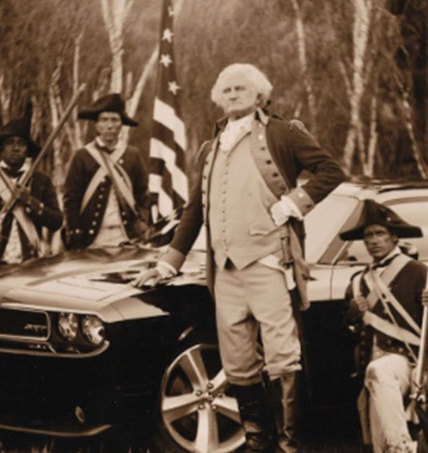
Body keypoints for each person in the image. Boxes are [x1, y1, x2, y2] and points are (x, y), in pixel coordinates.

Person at [133, 63, 345, 452]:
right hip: (226, 271)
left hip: (269, 264)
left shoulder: (283, 133)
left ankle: (289, 445)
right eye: (226, 90)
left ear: (259, 94)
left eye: (241, 89)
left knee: (283, 358)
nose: (232, 95)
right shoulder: (209, 148)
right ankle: (257, 442)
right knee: (238, 363)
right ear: (218, 97)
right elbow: (195, 211)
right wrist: (168, 262)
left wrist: (293, 204)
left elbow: (331, 171)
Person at [341, 200, 428, 453]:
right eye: (368, 235)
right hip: (373, 370)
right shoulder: (358, 282)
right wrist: (353, 314)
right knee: (378, 445)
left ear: (394, 237)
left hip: (410, 364)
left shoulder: (417, 272)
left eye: (380, 233)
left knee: (379, 372)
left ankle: (402, 449)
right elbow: (349, 331)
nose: (373, 240)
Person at [0, 115, 63, 264]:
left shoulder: (41, 180)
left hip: (32, 262)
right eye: (10, 143)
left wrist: (30, 201)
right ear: (1, 149)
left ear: (27, 149)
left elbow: (57, 221)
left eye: (21, 144)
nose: (15, 148)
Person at [62, 93, 149, 249]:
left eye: (114, 120)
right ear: (96, 125)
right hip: (91, 239)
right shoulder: (82, 156)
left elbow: (142, 196)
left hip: (127, 237)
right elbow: (71, 199)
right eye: (104, 120)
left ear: (121, 124)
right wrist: (74, 232)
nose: (109, 125)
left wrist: (144, 223)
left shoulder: (133, 156)